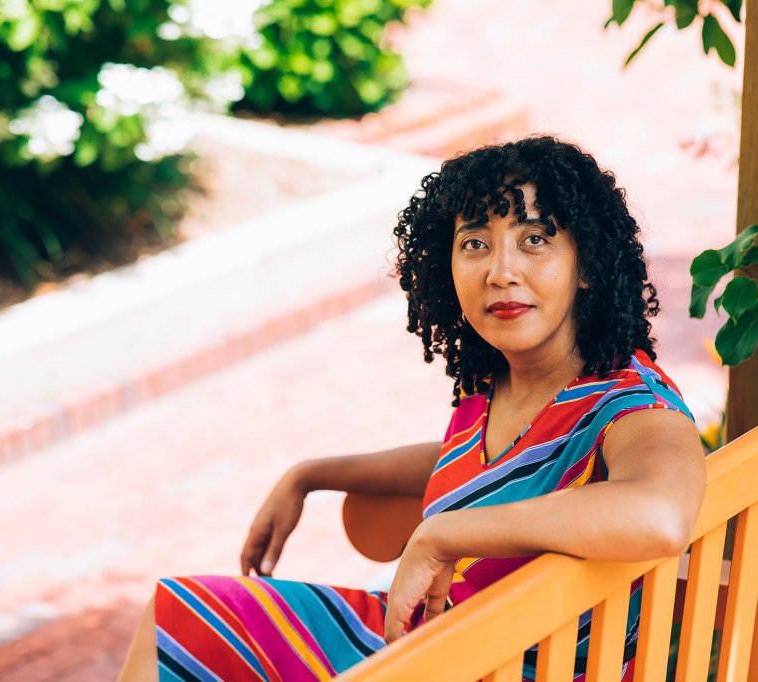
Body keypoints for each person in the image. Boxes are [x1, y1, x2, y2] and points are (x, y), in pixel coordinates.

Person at [116, 136, 706, 682]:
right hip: (439, 645)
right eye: (475, 243)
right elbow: (477, 468)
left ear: (588, 266)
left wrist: (443, 535)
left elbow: (661, 513)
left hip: (466, 660)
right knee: (177, 618)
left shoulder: (631, 403)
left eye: (535, 239)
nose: (501, 271)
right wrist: (311, 475)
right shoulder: (499, 385)